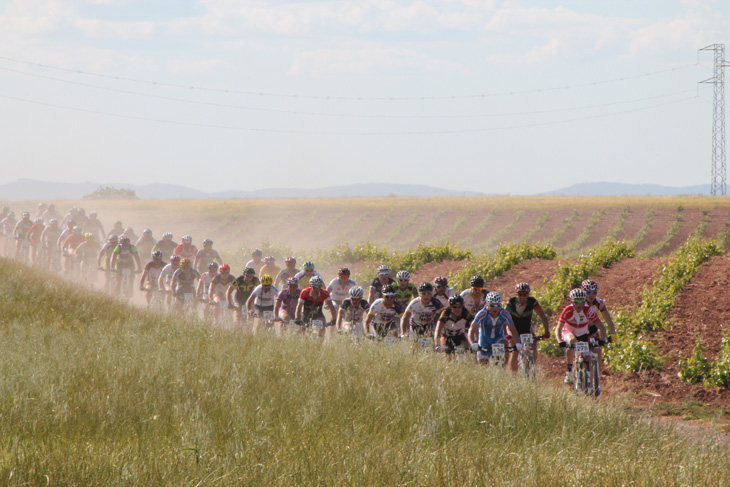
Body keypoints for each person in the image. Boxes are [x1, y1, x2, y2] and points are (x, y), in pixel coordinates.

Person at [555, 288, 606, 386]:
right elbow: (558, 328)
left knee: (587, 358)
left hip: (583, 334)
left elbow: (601, 327)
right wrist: (560, 340)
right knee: (572, 341)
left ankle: (589, 384)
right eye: (576, 301)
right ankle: (569, 371)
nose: (579, 304)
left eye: (581, 301)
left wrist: (602, 340)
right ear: (572, 301)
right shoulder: (567, 310)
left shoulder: (588, 311)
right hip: (569, 331)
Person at [505, 282, 551, 372]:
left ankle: (532, 366)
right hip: (513, 329)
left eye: (525, 294)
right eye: (520, 294)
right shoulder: (511, 302)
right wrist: (506, 333)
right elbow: (504, 318)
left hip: (526, 328)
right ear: (516, 294)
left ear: (528, 295)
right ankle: (514, 376)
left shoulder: (532, 301)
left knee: (533, 346)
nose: (522, 297)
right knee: (515, 350)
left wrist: (547, 332)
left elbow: (543, 317)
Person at [469, 292, 520, 366]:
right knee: (483, 365)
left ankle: (502, 370)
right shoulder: (482, 313)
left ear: (500, 305)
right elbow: (472, 329)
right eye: (492, 306)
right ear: (487, 305)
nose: (495, 308)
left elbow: (513, 330)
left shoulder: (504, 314)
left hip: (498, 337)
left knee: (504, 344)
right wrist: (473, 343)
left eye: (497, 305)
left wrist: (518, 343)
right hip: (484, 339)